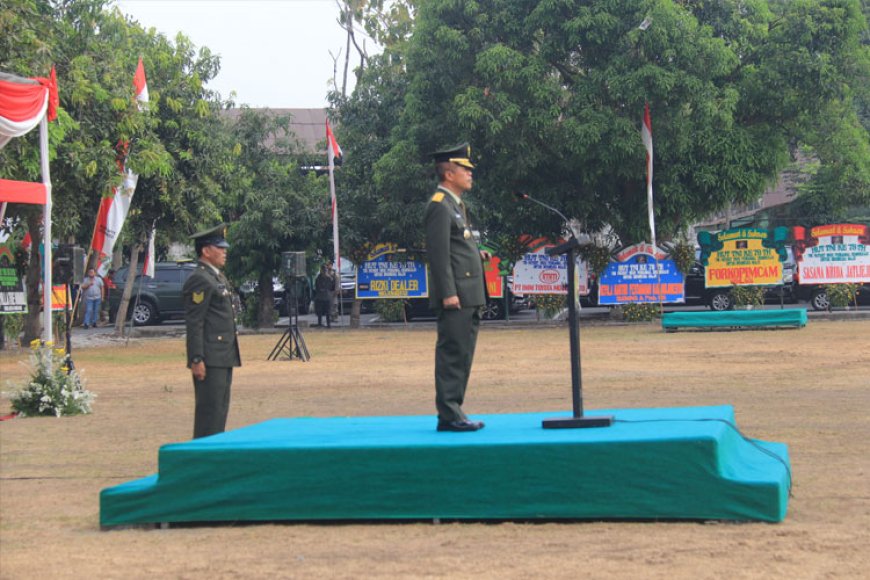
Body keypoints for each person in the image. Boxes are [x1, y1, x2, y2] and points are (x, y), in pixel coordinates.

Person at [424, 142, 491, 432]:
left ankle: (455, 411)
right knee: (453, 354)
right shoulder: (440, 205)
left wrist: (478, 255)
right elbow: (438, 255)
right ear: (449, 174)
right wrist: (449, 292)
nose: (470, 174)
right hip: (457, 295)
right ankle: (450, 414)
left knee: (463, 354)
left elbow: (455, 247)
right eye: (465, 170)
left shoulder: (454, 204)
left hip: (468, 293)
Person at [183, 224, 241, 439]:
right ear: (206, 251)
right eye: (220, 248)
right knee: (209, 414)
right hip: (210, 357)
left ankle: (214, 455)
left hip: (223, 355)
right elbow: (195, 322)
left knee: (219, 412)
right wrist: (196, 358)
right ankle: (203, 459)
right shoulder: (200, 278)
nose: (224, 252)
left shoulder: (216, 277)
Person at [314, 261, 336, 328]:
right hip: (321, 296)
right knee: (320, 312)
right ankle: (320, 324)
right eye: (323, 270)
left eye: (325, 270)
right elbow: (317, 287)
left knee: (327, 312)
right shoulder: (318, 278)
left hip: (326, 296)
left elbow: (332, 286)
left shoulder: (329, 278)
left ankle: (328, 324)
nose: (324, 271)